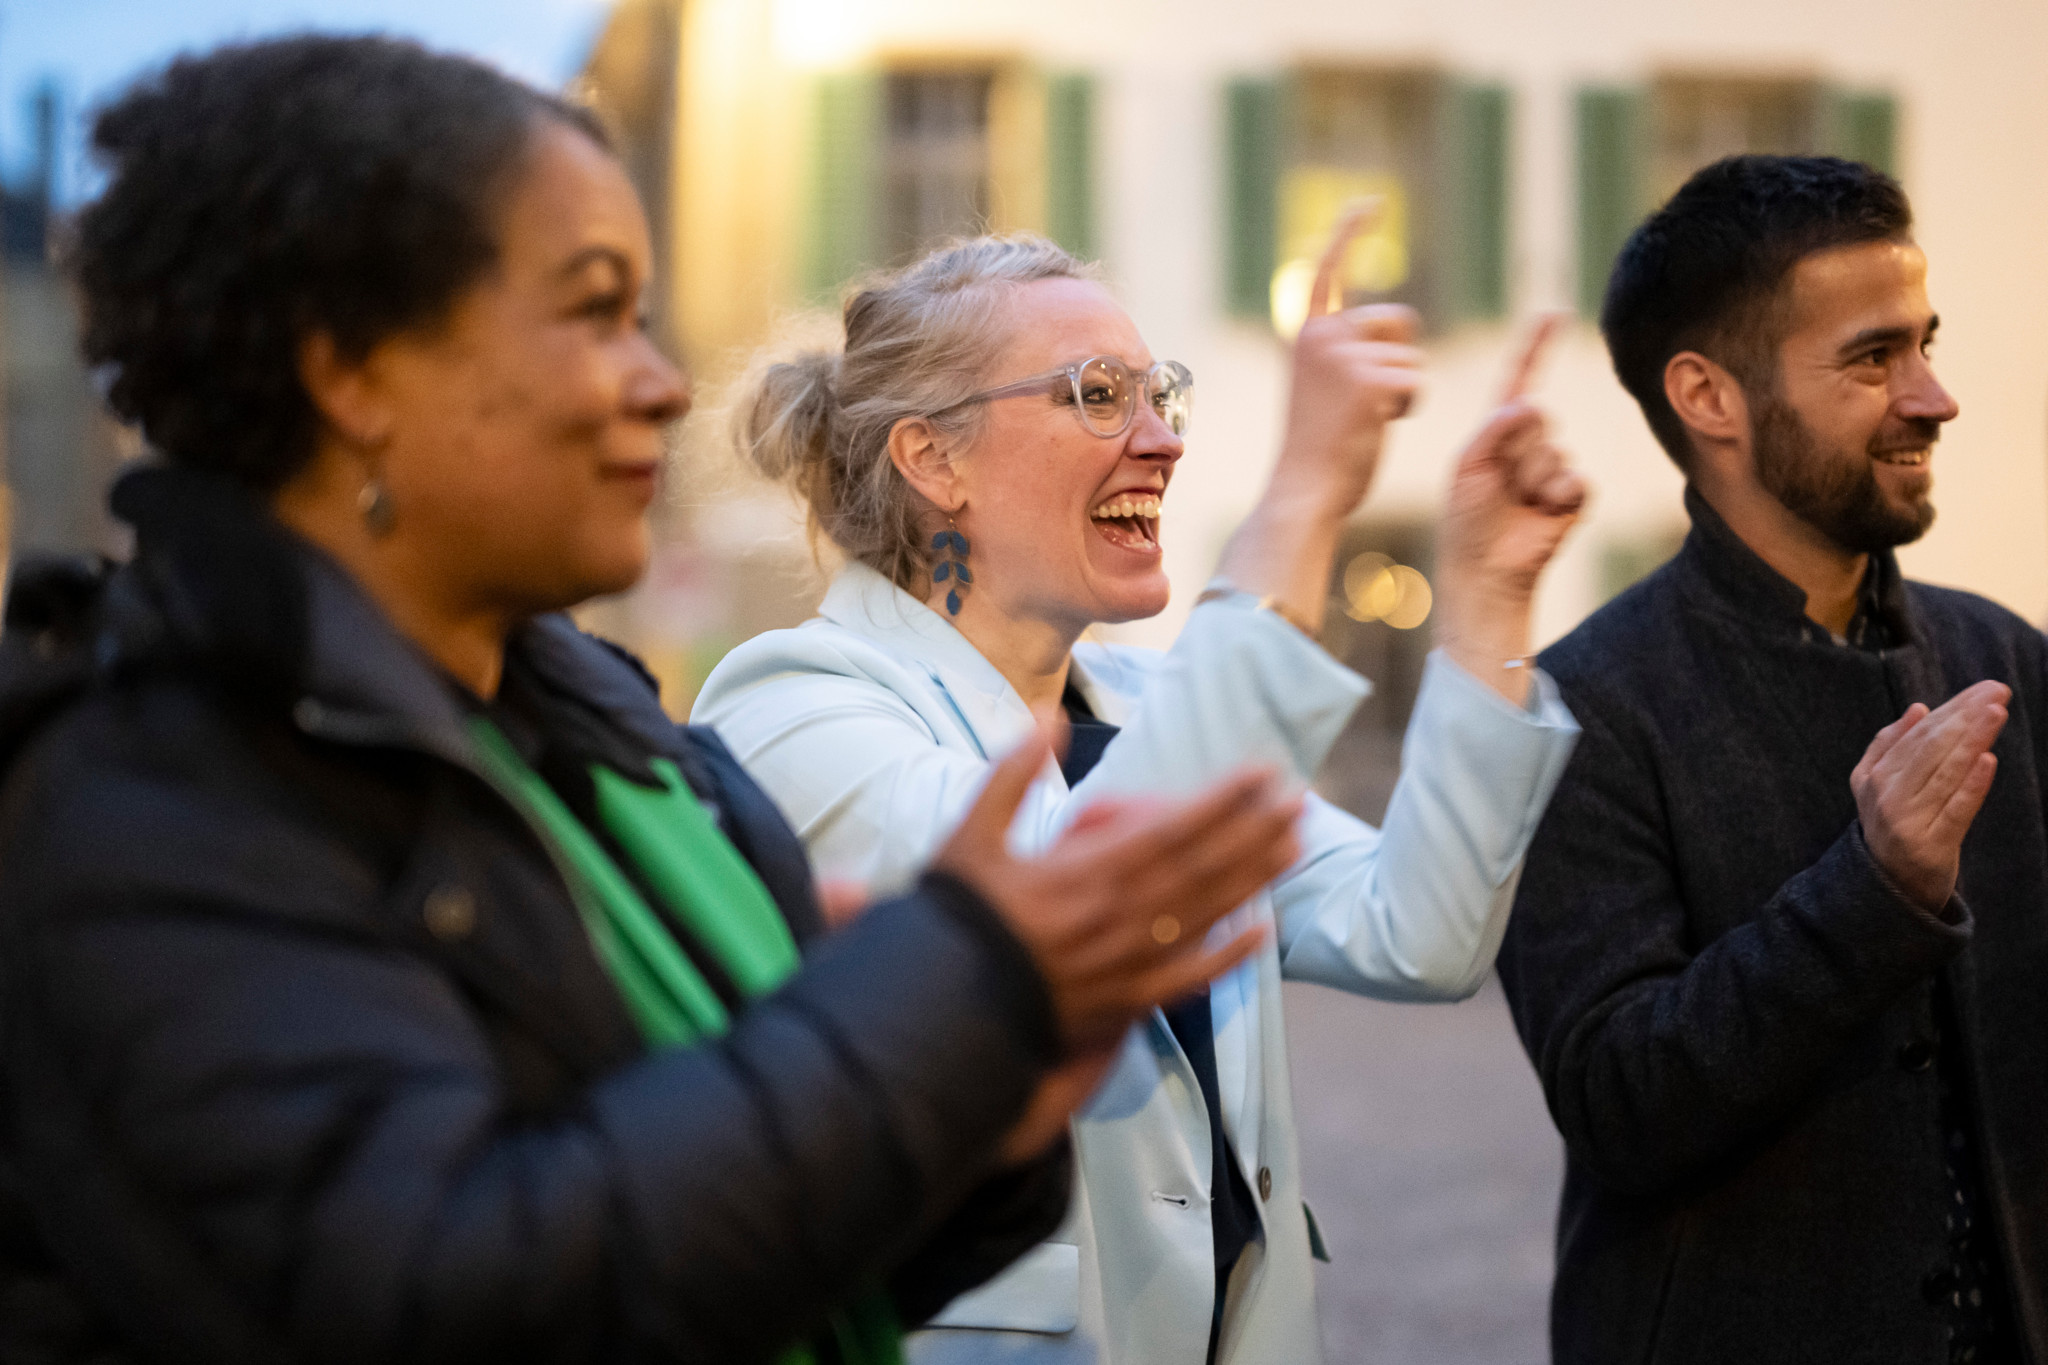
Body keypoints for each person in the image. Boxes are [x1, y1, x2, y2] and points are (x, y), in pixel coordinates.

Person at [0, 36, 1311, 1365]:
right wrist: (927, 1004)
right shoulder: (145, 802)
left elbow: (760, 1246)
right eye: (593, 311)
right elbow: (456, 1299)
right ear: (356, 372)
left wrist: (985, 1131)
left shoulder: (624, 749)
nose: (663, 381)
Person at [692, 216, 1587, 1364]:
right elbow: (1102, 891)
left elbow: (1418, 931)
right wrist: (1304, 494)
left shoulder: (1148, 707)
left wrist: (1488, 593)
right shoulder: (793, 706)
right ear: (933, 459)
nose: (1159, 441)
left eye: (1160, 393)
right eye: (1097, 394)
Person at [1496, 154, 2048, 1365]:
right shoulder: (1579, 708)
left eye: (1924, 343)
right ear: (1707, 396)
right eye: (1871, 358)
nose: (1932, 396)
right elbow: (1617, 1107)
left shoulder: (2001, 655)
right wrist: (1874, 888)